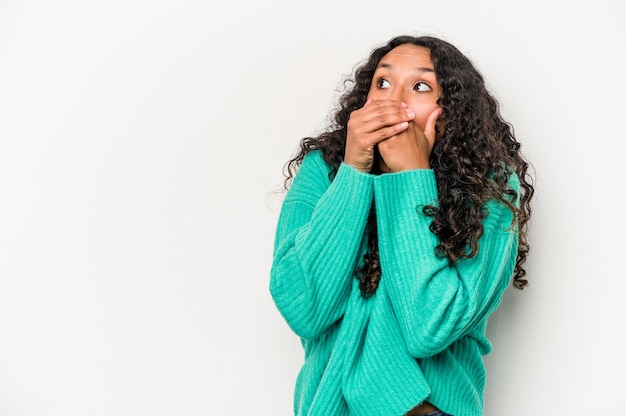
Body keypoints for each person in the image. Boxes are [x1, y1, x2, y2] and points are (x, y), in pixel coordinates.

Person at [269, 35, 534, 416]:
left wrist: (411, 175)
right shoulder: (324, 171)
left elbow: (429, 327)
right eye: (383, 83)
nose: (394, 100)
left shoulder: (491, 186)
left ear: (452, 109)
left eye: (421, 86)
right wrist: (353, 172)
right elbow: (306, 310)